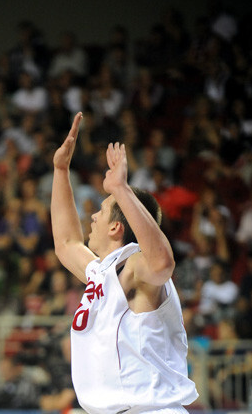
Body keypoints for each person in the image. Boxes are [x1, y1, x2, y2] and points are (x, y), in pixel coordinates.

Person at [50, 112, 198, 413]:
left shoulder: (135, 264)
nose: (91, 216)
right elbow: (66, 244)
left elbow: (162, 264)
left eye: (101, 212)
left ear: (116, 227)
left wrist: (120, 190)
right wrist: (60, 170)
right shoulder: (101, 271)